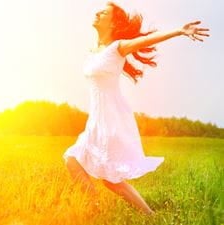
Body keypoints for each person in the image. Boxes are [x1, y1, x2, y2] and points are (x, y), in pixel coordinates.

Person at [62, 1, 210, 215]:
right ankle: (97, 208)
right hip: (96, 119)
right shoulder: (96, 52)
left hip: (111, 120)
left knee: (106, 176)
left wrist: (179, 31)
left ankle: (144, 215)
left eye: (103, 12)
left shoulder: (118, 47)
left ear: (113, 23)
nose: (97, 12)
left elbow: (145, 40)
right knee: (80, 164)